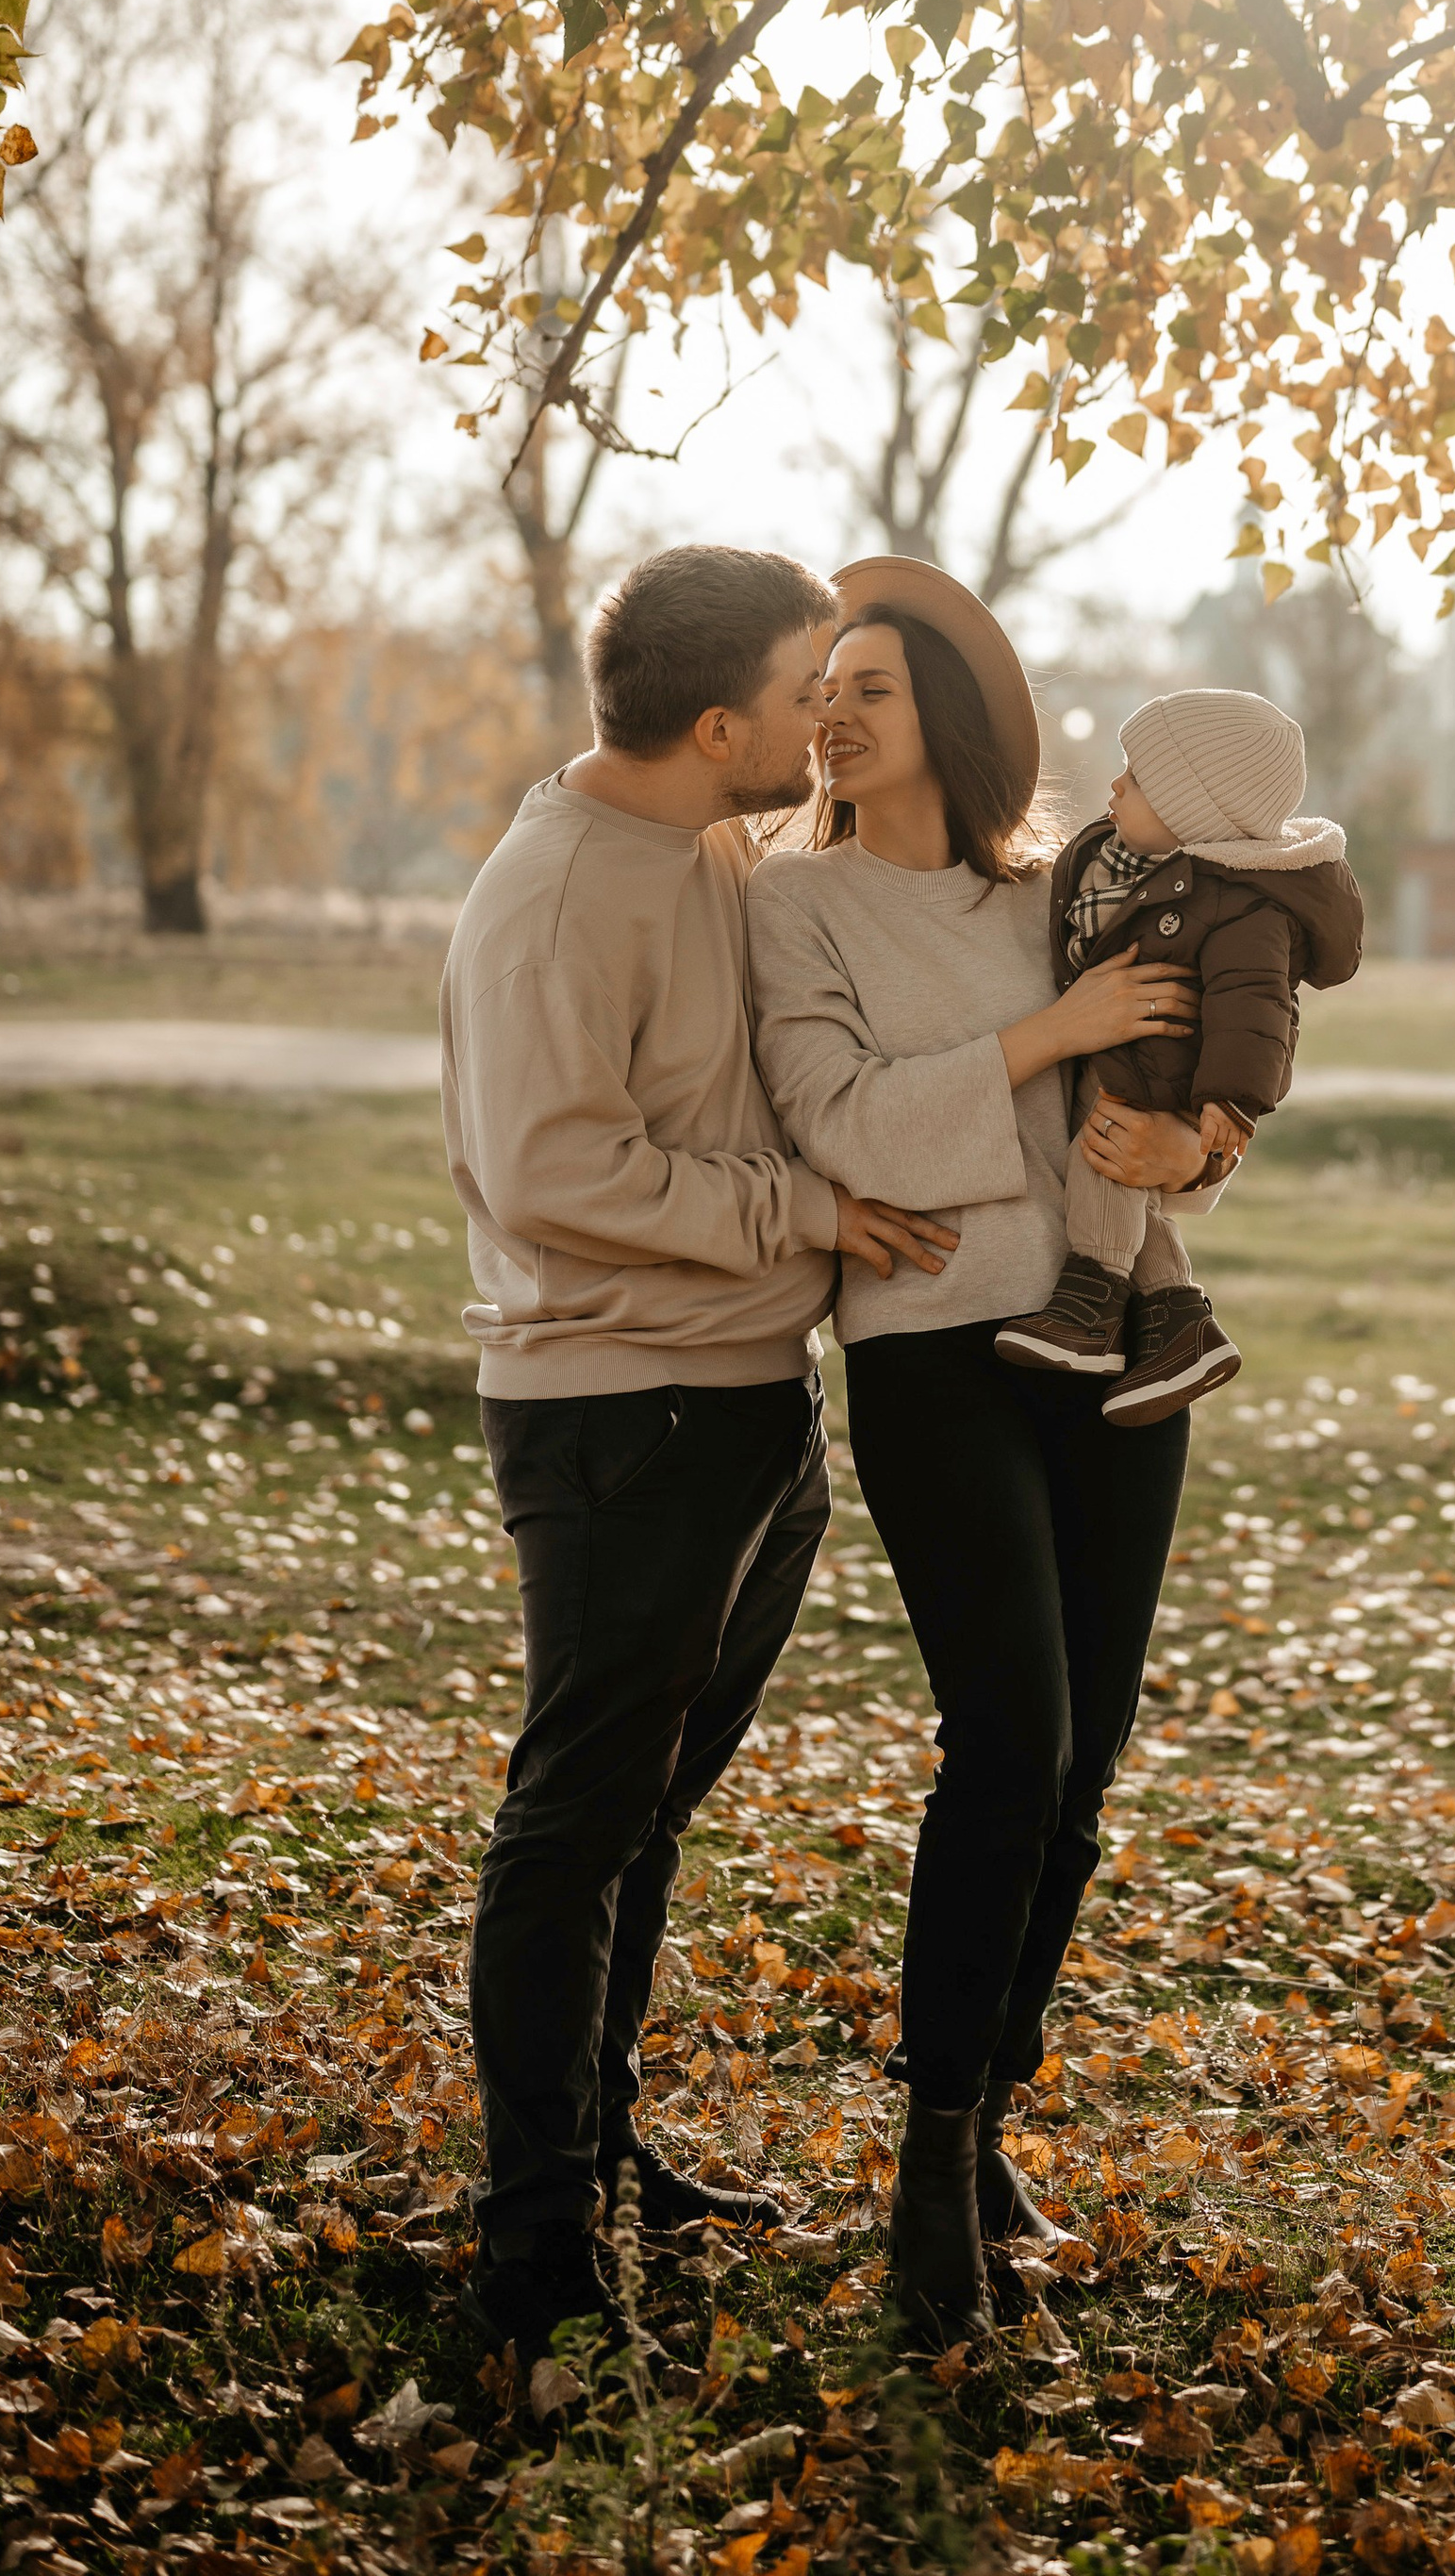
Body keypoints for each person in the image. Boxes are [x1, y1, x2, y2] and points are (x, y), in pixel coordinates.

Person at [440, 544, 955, 2367]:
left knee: (646, 1819)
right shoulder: (563, 894)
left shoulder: (709, 838)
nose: (834, 707)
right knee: (573, 1827)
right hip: (620, 1419)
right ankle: (533, 2247)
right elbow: (553, 1173)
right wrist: (800, 1208)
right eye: (814, 680)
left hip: (744, 1404)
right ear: (722, 721)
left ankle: (599, 2146)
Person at [746, 557, 1234, 2350]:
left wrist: (1206, 1146)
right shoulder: (793, 909)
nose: (837, 711)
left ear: (942, 719)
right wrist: (1051, 1035)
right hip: (940, 1355)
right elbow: (847, 1120)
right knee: (1008, 1740)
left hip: (1110, 1344)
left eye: (872, 685)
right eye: (826, 690)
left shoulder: (1062, 893)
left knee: (1086, 1758)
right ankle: (931, 2151)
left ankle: (994, 2113)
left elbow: (1185, 1066)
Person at [994, 690, 1364, 1421]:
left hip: (1163, 1070)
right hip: (1124, 1049)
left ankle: (1093, 1301)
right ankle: (1176, 1320)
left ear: (1194, 810)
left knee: (1104, 1158)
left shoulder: (1242, 905)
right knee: (1112, 1165)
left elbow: (1258, 1008)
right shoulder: (1126, 863)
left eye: (1136, 777)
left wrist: (1229, 1102)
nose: (1115, 785)